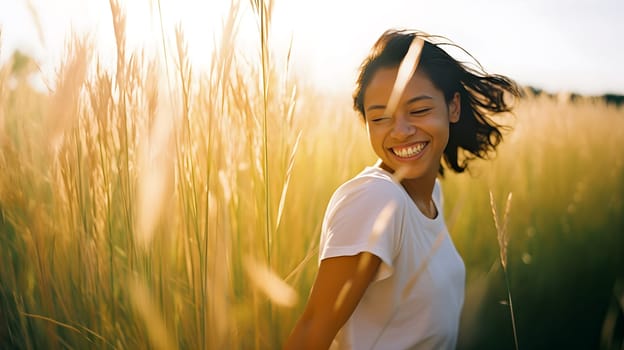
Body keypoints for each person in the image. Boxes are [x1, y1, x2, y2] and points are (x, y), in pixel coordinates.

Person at [284, 29, 521, 350]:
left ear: (453, 107)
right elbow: (312, 333)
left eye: (419, 110)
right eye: (380, 117)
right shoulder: (376, 198)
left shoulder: (430, 194)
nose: (401, 132)